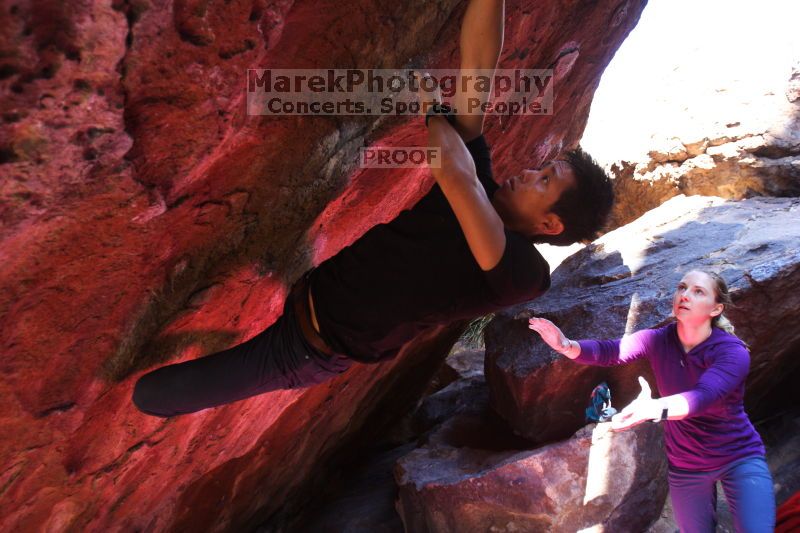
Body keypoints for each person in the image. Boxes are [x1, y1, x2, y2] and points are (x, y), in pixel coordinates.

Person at [132, 0, 614, 418]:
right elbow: (478, 71)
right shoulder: (482, 185)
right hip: (312, 294)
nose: (530, 173)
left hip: (305, 350)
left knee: (153, 394)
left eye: (544, 181)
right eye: (541, 168)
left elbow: (455, 175)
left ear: (551, 224)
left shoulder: (522, 272)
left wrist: (430, 103)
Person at [529, 270, 776, 532]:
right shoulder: (658, 339)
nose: (685, 295)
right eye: (682, 287)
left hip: (737, 458)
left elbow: (703, 397)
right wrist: (566, 345)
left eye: (698, 291)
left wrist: (652, 408)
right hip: (687, 467)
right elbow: (611, 351)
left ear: (716, 309)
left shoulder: (732, 352)